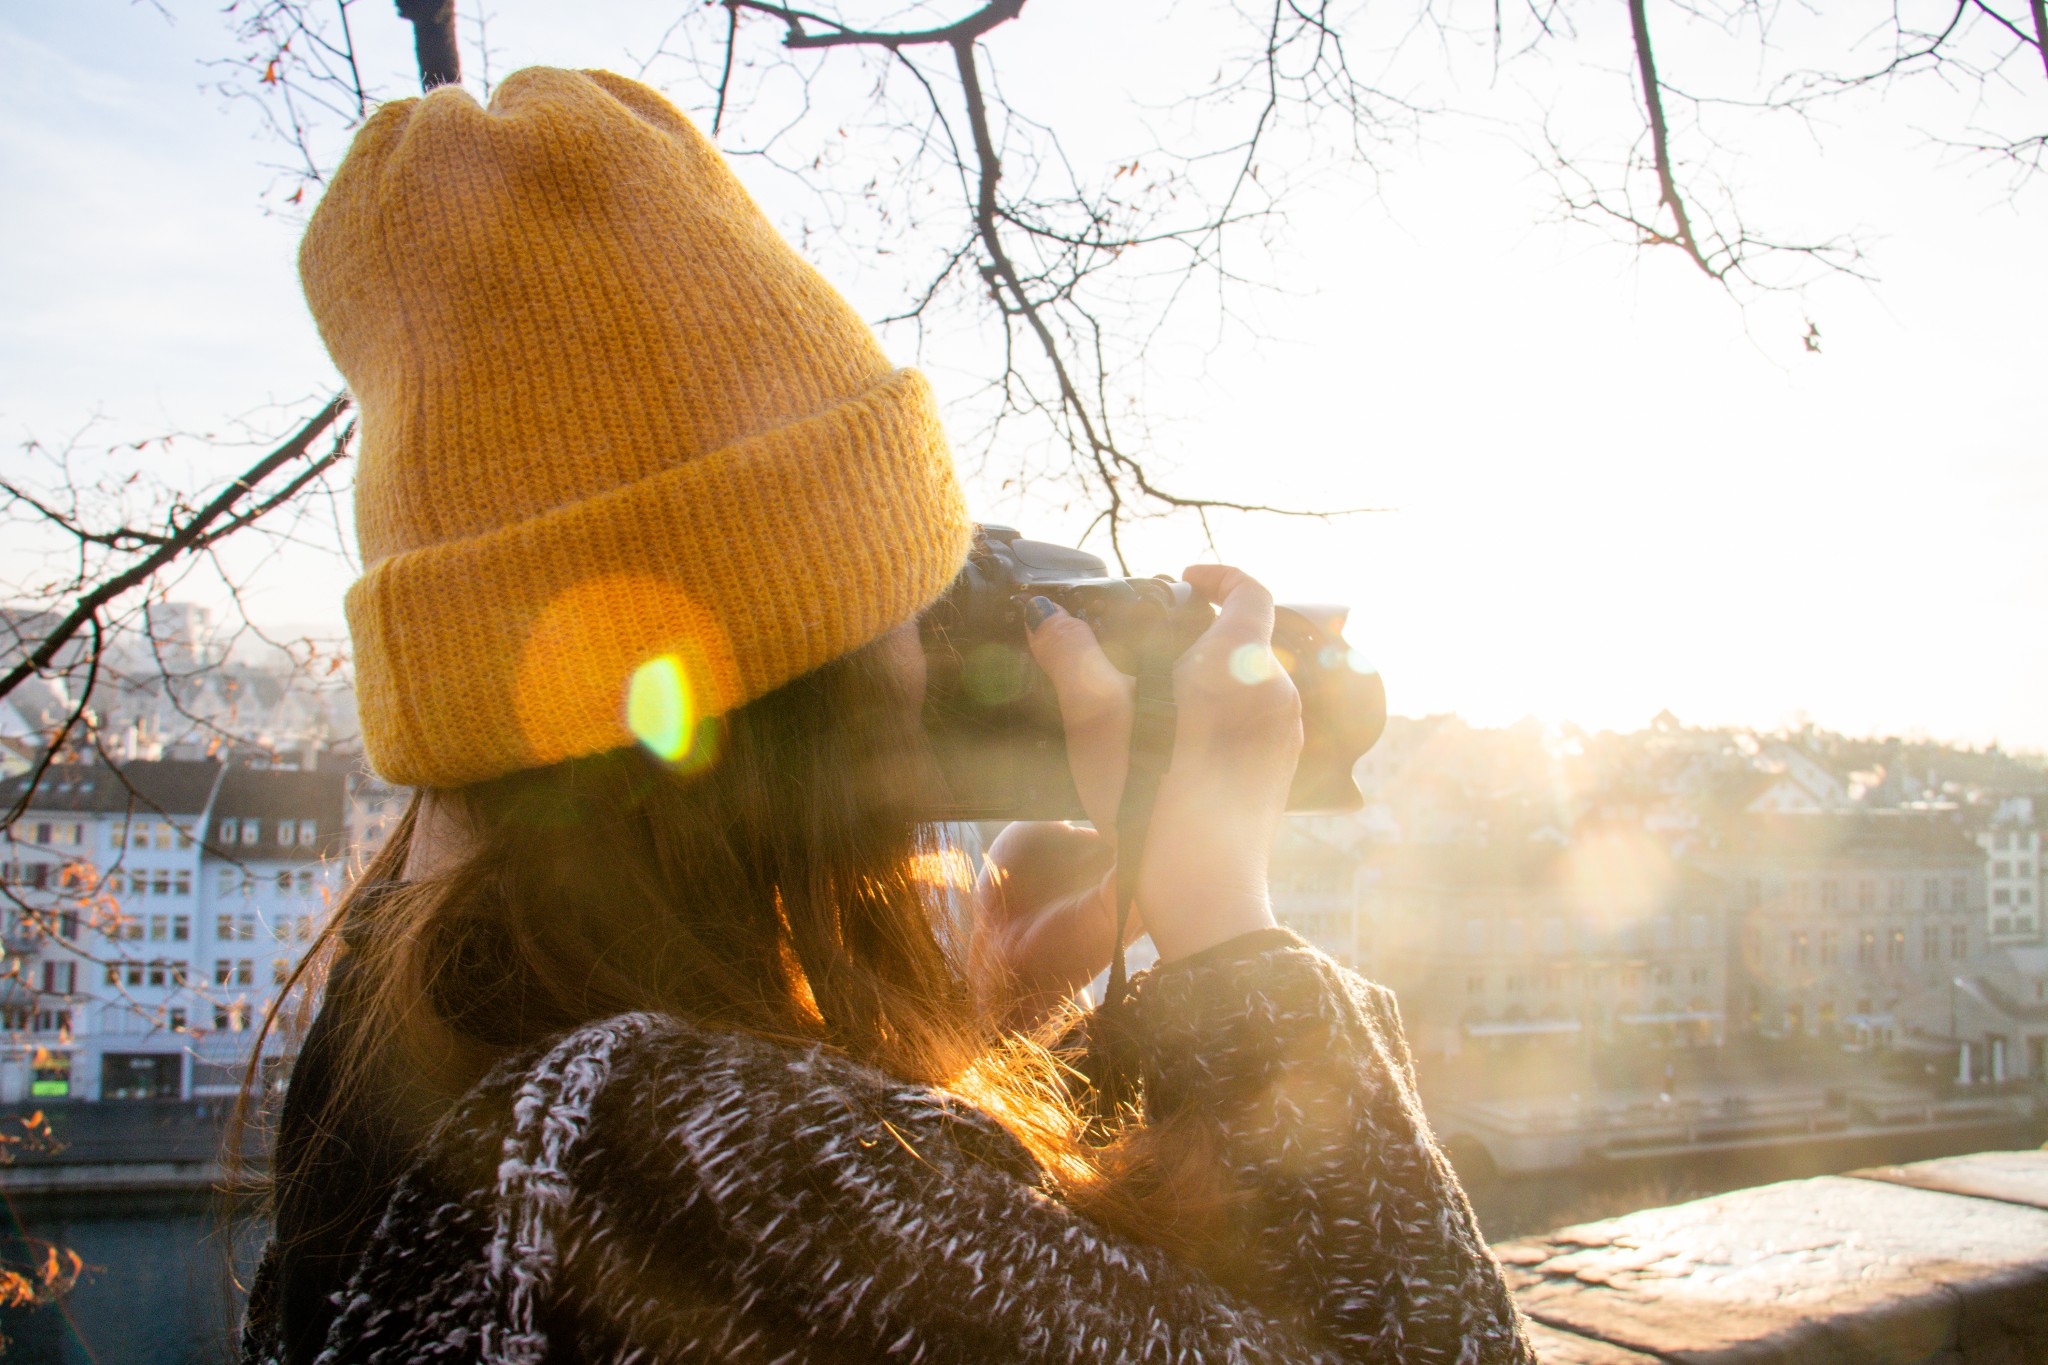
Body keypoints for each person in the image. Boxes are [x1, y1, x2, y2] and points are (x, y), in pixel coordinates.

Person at [240, 67, 1534, 1365]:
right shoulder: (694, 1152)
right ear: (811, 669)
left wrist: (973, 1028)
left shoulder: (405, 1088)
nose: (931, 650)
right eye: (908, 597)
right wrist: (1226, 922)